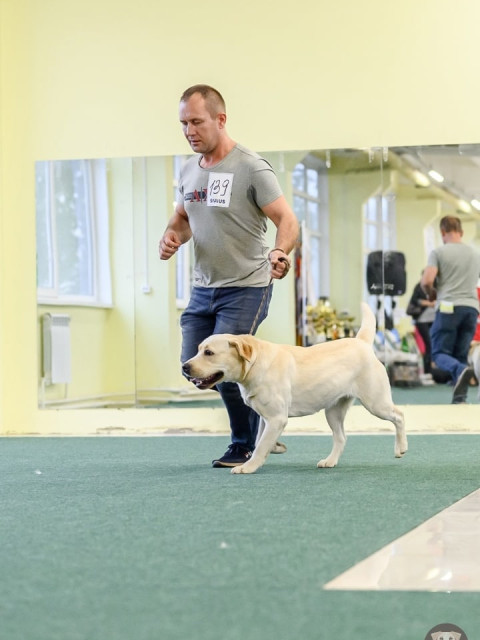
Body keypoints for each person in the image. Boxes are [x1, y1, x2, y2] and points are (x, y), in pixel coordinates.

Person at [159, 84, 299, 466]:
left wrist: (280, 251)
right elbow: (184, 219)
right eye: (184, 123)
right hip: (204, 287)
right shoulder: (188, 170)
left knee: (226, 364)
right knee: (193, 363)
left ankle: (245, 443)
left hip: (248, 285)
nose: (190, 131)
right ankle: (266, 428)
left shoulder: (251, 167)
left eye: (197, 122)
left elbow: (287, 219)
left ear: (220, 120)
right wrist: (172, 236)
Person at [421, 215, 480, 403]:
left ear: (442, 232)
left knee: (438, 353)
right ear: (461, 232)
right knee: (461, 353)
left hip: (448, 307)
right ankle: (460, 397)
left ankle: (459, 370)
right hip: (471, 308)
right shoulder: (475, 253)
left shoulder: (438, 252)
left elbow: (427, 280)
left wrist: (431, 293)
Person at [406, 274, 436, 375]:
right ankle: (427, 370)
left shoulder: (436, 286)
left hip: (434, 319)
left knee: (433, 344)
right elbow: (414, 300)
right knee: (428, 343)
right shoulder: (418, 287)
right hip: (421, 320)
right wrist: (429, 303)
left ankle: (431, 369)